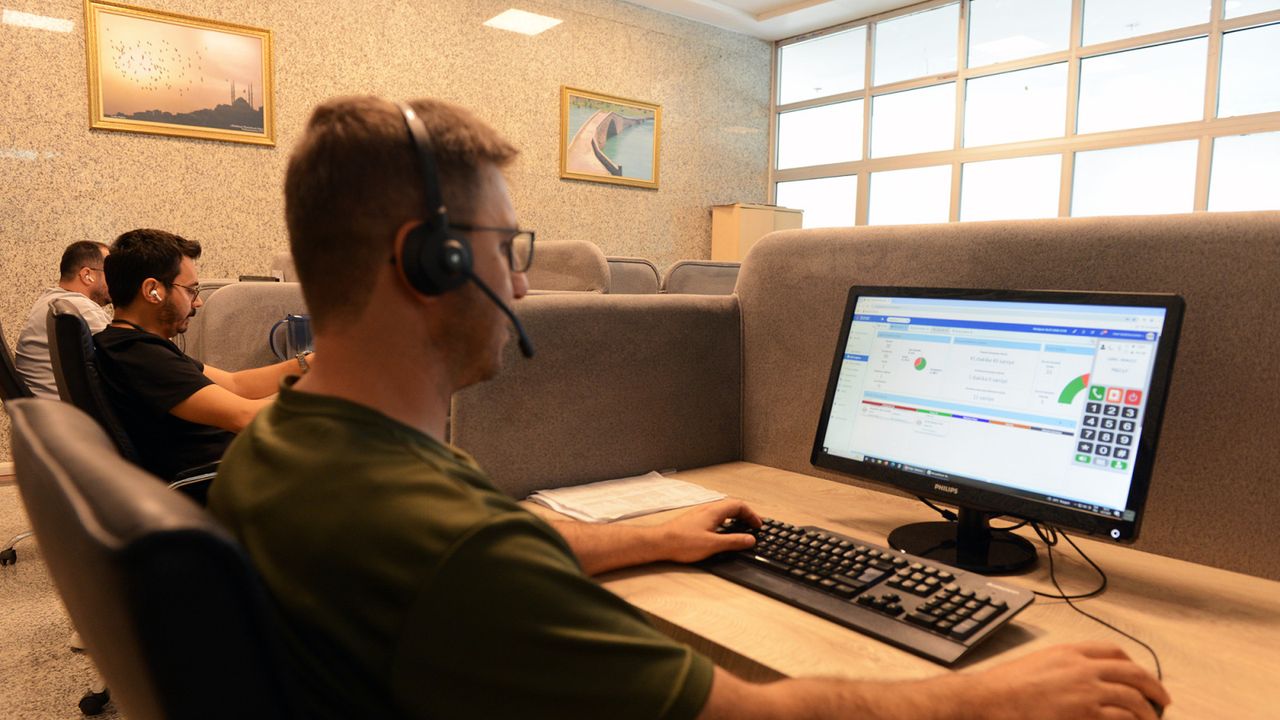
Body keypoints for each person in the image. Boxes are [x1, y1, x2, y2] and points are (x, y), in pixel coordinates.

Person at [209, 96, 1171, 720]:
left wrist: (649, 536)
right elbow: (753, 715)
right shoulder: (455, 552)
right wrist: (983, 699)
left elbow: (487, 542)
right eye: (509, 249)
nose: (525, 284)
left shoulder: (283, 447)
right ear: (431, 262)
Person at [95, 228, 312, 481]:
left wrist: (308, 364)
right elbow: (246, 416)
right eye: (190, 290)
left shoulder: (134, 345)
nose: (197, 302)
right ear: (152, 290)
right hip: (225, 480)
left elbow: (236, 384)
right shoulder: (138, 355)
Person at [14, 241, 113, 399]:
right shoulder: (80, 307)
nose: (116, 281)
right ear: (87, 275)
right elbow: (126, 359)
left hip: (44, 409)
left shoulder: (51, 300)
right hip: (63, 412)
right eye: (111, 272)